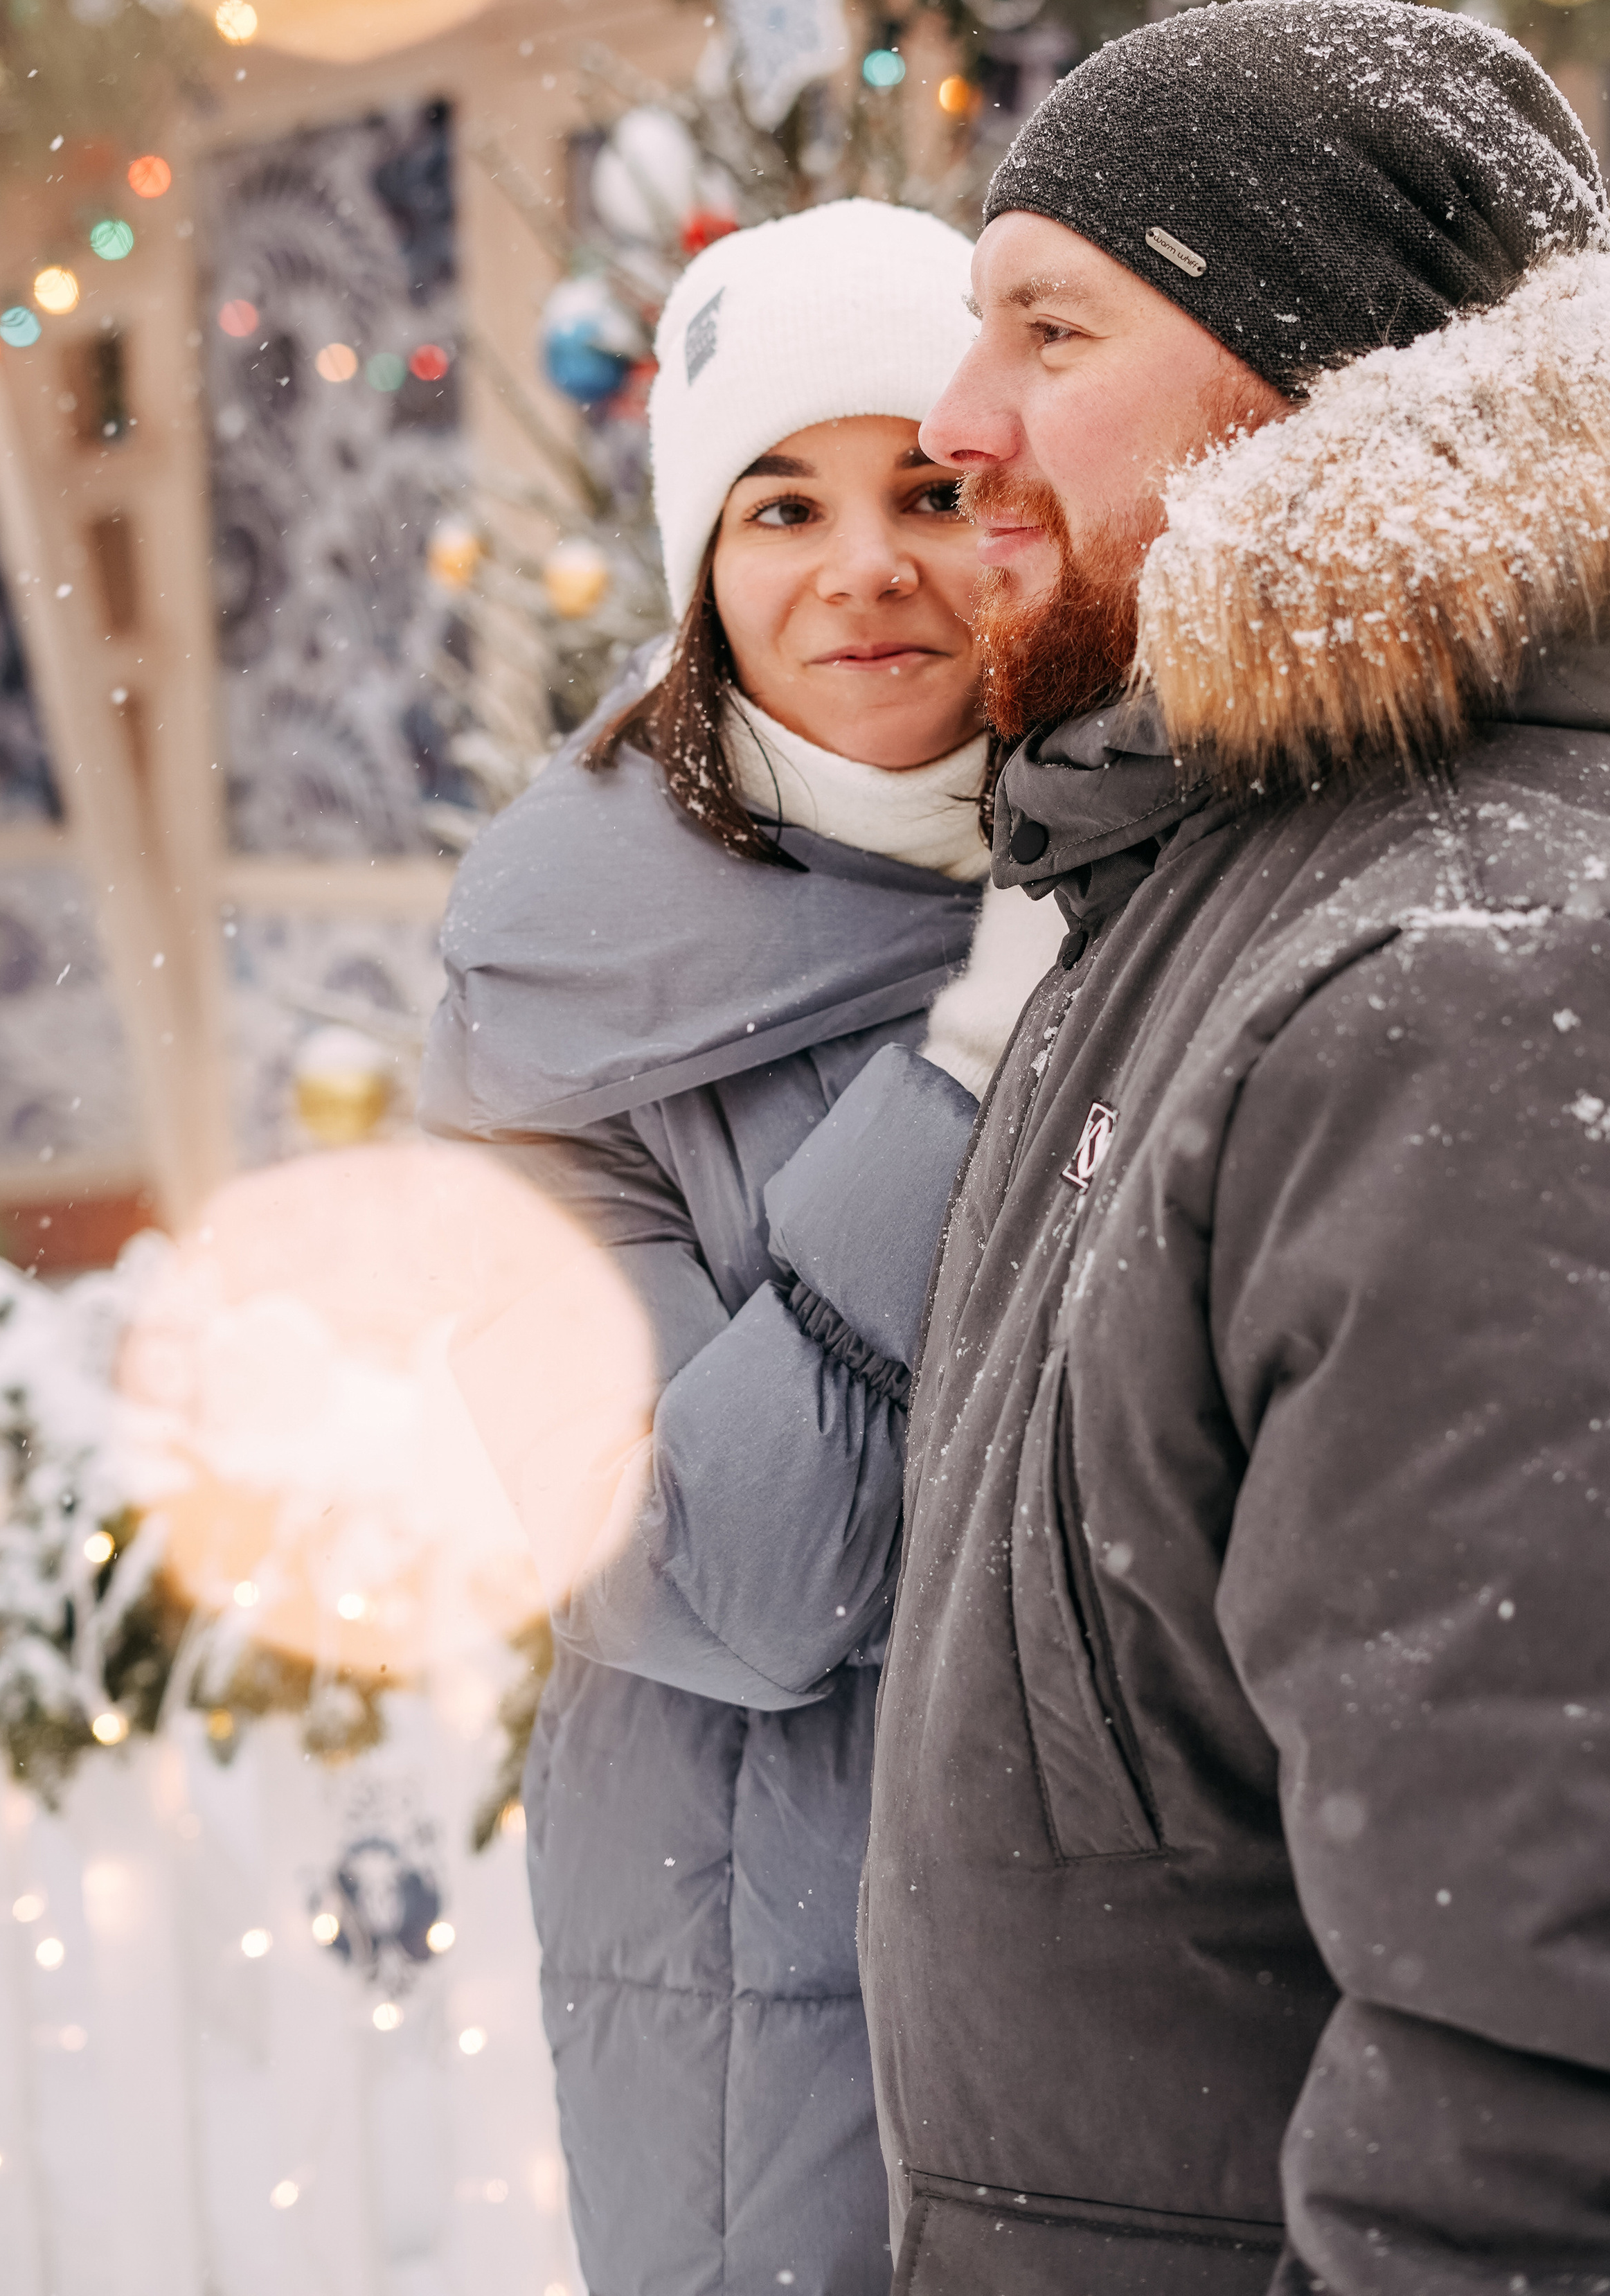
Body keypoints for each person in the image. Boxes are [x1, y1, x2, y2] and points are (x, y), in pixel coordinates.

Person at [830, 0, 1610, 2290]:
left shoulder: (1481, 972)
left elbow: (1579, 2055)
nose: (956, 428)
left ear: (1329, 376)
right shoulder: (1226, 893)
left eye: (1053, 325)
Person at [420, 199, 1057, 2296]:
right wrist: (965, 1078)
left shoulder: (1177, 873)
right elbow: (707, 1576)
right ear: (706, 566)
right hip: (765, 2015)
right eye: (782, 504)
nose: (862, 563)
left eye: (930, 489)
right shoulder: (552, 1001)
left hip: (1139, 1980)